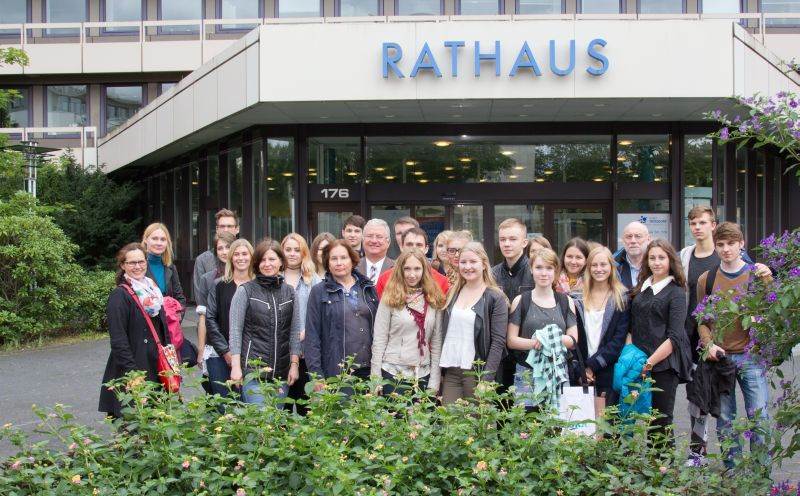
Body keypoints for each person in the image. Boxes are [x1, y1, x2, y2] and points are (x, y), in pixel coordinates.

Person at [679, 206, 768, 464]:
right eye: (721, 244)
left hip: (751, 358)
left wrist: (769, 282)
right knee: (726, 420)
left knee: (759, 417)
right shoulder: (707, 279)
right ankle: (732, 472)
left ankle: (761, 473)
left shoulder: (756, 276)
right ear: (716, 246)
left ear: (742, 244)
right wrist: (708, 344)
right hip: (722, 359)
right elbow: (701, 320)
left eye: (731, 244)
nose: (726, 249)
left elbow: (772, 312)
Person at [629, 238, 692, 446]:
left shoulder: (676, 292)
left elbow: (674, 337)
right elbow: (631, 324)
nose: (656, 262)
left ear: (670, 260)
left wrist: (650, 363)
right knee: (638, 416)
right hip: (639, 362)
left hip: (663, 366)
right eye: (652, 258)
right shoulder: (642, 287)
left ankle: (663, 464)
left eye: (661, 258)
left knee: (660, 421)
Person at [99, 243, 172, 419]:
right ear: (123, 265)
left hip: (156, 366)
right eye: (132, 263)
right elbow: (118, 341)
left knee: (158, 421)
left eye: (141, 261)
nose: (137, 266)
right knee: (134, 424)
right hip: (133, 368)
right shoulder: (120, 295)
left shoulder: (152, 290)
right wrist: (133, 374)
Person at [228, 239, 301, 405]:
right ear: (257, 263)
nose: (267, 264)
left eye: (272, 259)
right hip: (254, 374)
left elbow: (295, 331)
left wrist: (294, 364)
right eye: (263, 260)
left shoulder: (290, 292)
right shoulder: (245, 291)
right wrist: (236, 367)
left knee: (275, 419)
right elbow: (235, 331)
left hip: (281, 374)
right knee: (260, 419)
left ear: (281, 261)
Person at [506, 248, 578, 411]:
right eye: (539, 267)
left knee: (557, 419)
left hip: (558, 371)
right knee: (527, 421)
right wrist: (536, 342)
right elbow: (511, 340)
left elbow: (573, 340)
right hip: (527, 372)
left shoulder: (566, 301)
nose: (544, 273)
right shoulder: (521, 300)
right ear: (531, 269)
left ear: (556, 271)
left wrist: (550, 338)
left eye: (549, 268)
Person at [439, 242, 508, 404]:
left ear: (483, 264)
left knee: (478, 420)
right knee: (449, 418)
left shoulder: (495, 297)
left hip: (477, 373)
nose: (467, 267)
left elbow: (498, 342)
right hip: (451, 371)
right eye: (463, 262)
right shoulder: (452, 293)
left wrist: (487, 379)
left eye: (473, 262)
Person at [305, 239, 380, 386]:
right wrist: (316, 376)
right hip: (337, 372)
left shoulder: (368, 288)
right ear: (327, 263)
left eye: (344, 257)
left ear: (352, 260)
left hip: (369, 370)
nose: (339, 263)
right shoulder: (319, 292)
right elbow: (312, 336)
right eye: (334, 259)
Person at [371, 249, 445, 395]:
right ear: (400, 270)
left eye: (417, 269)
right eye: (407, 269)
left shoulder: (433, 299)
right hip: (393, 373)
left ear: (424, 270)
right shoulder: (390, 297)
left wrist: (434, 381)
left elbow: (436, 343)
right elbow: (379, 339)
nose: (412, 274)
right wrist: (376, 379)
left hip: (423, 373)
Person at [575, 246, 629, 417]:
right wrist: (582, 369)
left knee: (607, 426)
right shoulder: (575, 298)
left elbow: (618, 341)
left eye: (603, 264)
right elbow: (573, 337)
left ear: (611, 267)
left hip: (608, 371)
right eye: (594, 265)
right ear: (588, 268)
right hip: (580, 372)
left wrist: (592, 366)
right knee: (580, 425)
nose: (599, 269)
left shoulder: (622, 298)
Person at [205, 239, 255, 398]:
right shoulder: (219, 285)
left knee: (250, 402)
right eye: (236, 254)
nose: (241, 258)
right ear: (231, 258)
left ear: (251, 257)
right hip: (220, 354)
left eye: (245, 254)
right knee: (224, 403)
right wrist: (226, 351)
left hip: (252, 355)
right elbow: (210, 319)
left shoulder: (259, 286)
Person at [491, 218, 534, 398]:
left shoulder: (535, 271)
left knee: (527, 407)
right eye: (503, 239)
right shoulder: (492, 274)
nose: (507, 244)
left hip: (528, 353)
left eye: (512, 239)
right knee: (500, 406)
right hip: (500, 354)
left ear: (524, 242)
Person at [281, 233, 323, 415]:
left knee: (307, 409)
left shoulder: (313, 279)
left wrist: (306, 331)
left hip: (306, 353)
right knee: (281, 410)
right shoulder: (274, 277)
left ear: (304, 253)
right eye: (288, 249)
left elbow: (321, 313)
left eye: (297, 250)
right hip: (281, 353)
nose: (292, 254)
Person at [195, 232, 236, 388]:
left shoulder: (248, 274)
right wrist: (201, 350)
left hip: (241, 343)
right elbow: (204, 316)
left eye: (228, 247)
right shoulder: (207, 279)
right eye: (220, 248)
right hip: (216, 342)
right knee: (218, 390)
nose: (224, 252)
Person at [375, 227, 449, 298]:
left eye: (419, 245)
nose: (414, 248)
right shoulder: (385, 279)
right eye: (409, 244)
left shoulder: (441, 281)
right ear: (401, 247)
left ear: (426, 249)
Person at [193, 209, 239, 301]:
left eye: (229, 226)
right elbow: (200, 297)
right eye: (222, 226)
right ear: (217, 229)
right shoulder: (203, 260)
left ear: (237, 229)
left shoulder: (246, 258)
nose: (226, 230)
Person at [142, 223, 186, 307]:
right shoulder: (137, 266)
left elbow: (180, 298)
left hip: (169, 315)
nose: (159, 243)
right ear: (146, 240)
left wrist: (176, 314)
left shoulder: (170, 267)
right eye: (154, 239)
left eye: (163, 239)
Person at [356, 218, 395, 285]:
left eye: (379, 237)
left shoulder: (397, 268)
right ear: (363, 240)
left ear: (388, 242)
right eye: (369, 236)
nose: (374, 241)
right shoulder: (352, 268)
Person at [615, 222, 651, 289]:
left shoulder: (658, 263)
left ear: (648, 239)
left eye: (638, 236)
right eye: (629, 236)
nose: (633, 241)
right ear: (623, 240)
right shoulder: (613, 265)